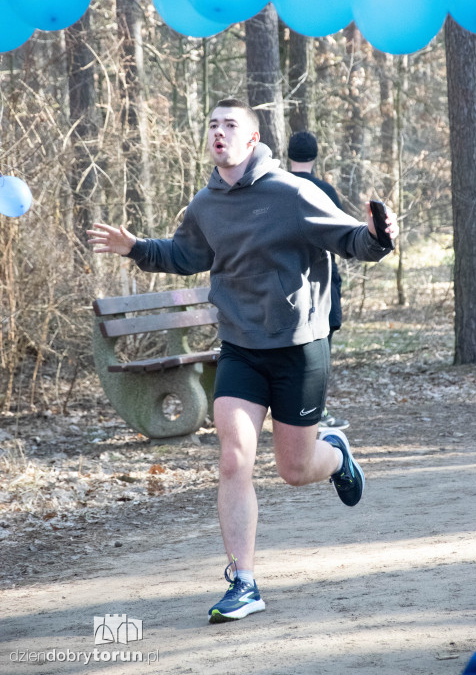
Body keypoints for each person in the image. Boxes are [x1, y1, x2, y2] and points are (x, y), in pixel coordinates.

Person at [87, 98, 398, 625]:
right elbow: (184, 256)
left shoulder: (291, 193)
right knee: (233, 458)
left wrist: (378, 236)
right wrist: (136, 247)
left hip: (299, 347)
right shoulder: (204, 204)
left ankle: (337, 456)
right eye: (212, 124)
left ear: (252, 139)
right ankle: (243, 581)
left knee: (295, 470)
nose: (218, 132)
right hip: (241, 348)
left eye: (230, 125)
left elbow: (350, 239)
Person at [288, 130, 347, 432]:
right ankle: (314, 414)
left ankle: (298, 414)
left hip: (286, 285)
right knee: (319, 352)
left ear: (289, 155)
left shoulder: (278, 187)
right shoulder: (326, 192)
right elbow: (342, 238)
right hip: (321, 286)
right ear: (314, 157)